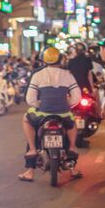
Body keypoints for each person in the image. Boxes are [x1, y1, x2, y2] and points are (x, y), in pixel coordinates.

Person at [18, 46, 81, 183]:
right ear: (60, 59)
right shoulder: (67, 74)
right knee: (72, 122)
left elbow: (30, 100)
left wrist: (40, 105)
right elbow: (77, 97)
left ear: (44, 60)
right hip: (63, 113)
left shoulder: (37, 75)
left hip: (43, 114)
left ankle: (33, 152)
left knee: (26, 119)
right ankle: (71, 150)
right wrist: (66, 104)